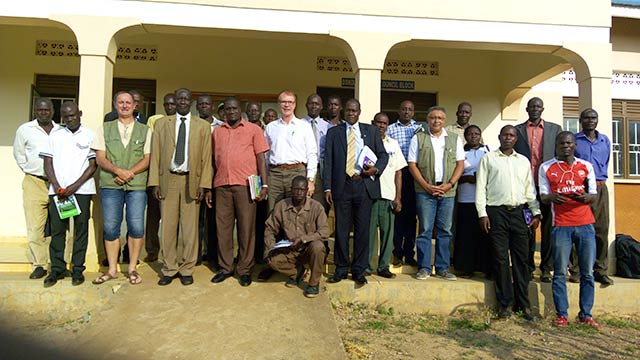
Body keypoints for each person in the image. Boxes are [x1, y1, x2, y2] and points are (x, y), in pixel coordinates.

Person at [149, 88, 213, 286]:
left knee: (190, 227)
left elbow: (206, 158)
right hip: (168, 178)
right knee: (167, 226)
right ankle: (169, 268)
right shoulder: (161, 124)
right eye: (179, 99)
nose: (183, 102)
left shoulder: (202, 126)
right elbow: (155, 155)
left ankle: (187, 268)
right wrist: (155, 182)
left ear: (191, 102)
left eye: (186, 99)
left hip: (191, 181)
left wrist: (204, 184)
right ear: (175, 102)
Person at [476, 125, 540, 320]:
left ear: (515, 139)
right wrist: (482, 214)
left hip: (520, 213)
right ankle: (505, 304)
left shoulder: (523, 161)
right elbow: (481, 188)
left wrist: (535, 212)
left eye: (512, 135)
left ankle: (524, 304)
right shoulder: (488, 159)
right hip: (497, 213)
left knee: (521, 261)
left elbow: (530, 189)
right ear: (499, 137)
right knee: (501, 259)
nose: (508, 138)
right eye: (505, 135)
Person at [539, 131, 601, 329]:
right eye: (561, 143)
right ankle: (562, 315)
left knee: (587, 273)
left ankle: (586, 314)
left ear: (574, 145)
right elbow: (543, 196)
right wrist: (552, 198)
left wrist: (586, 198)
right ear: (556, 145)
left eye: (569, 142)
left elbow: (593, 194)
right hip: (561, 226)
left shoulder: (586, 166)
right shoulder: (546, 167)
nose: (565, 145)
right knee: (559, 273)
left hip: (585, 225)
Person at [324, 99, 389, 286]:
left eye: (355, 110)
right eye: (349, 110)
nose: (351, 113)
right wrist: (328, 187)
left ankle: (359, 270)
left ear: (360, 112)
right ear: (344, 112)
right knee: (342, 230)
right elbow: (328, 160)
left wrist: (375, 169)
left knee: (363, 231)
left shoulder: (371, 131)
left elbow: (383, 155)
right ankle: (341, 268)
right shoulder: (334, 133)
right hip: (342, 186)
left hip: (364, 185)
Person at [92, 91, 152, 285]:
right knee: (110, 228)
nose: (125, 105)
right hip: (111, 184)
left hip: (136, 186)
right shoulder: (104, 129)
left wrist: (129, 173)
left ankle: (132, 267)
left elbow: (148, 158)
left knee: (136, 226)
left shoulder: (145, 130)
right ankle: (112, 269)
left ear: (135, 105)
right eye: (121, 102)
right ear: (115, 105)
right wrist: (118, 171)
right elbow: (100, 157)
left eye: (128, 102)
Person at [210, 97, 269, 287]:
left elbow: (261, 159)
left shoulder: (253, 130)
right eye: (228, 109)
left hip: (246, 186)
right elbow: (212, 161)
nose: (232, 111)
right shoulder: (217, 132)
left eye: (235, 108)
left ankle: (244, 269)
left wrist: (264, 185)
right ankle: (225, 267)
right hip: (222, 186)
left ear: (240, 110)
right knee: (223, 229)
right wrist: (209, 188)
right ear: (224, 111)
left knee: (246, 229)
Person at [40, 102, 96, 287]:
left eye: (72, 115)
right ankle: (57, 269)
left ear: (79, 114)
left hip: (82, 191)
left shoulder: (89, 136)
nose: (69, 119)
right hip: (58, 192)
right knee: (57, 231)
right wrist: (56, 186)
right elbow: (48, 163)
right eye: (65, 116)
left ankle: (78, 269)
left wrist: (74, 186)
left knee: (81, 230)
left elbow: (92, 166)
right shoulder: (55, 135)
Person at [408, 106, 464, 281]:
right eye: (433, 117)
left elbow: (460, 164)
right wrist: (426, 186)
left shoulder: (454, 139)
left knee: (445, 231)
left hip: (447, 192)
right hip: (425, 192)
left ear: (444, 120)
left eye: (440, 118)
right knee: (424, 229)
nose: (436, 121)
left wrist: (450, 184)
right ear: (427, 119)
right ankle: (424, 267)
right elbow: (412, 164)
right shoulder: (418, 138)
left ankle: (442, 268)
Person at [513, 97, 562, 283]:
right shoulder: (517, 130)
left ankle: (546, 268)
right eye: (532, 106)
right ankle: (527, 266)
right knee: (527, 228)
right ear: (526, 109)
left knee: (549, 228)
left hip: (548, 188)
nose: (535, 109)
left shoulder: (554, 129)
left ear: (543, 109)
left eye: (538, 106)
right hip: (526, 188)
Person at [13, 98, 60, 280]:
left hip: (57, 184)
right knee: (35, 226)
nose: (43, 113)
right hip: (34, 182)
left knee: (59, 226)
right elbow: (19, 153)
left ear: (52, 111)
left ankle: (58, 263)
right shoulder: (25, 130)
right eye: (40, 110)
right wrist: (30, 169)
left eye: (46, 110)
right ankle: (39, 264)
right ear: (35, 111)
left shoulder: (60, 131)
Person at [264, 176, 329, 297]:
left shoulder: (316, 207)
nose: (299, 192)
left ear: (306, 190)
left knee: (318, 247)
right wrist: (271, 247)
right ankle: (297, 273)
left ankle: (313, 284)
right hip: (290, 249)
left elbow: (324, 232)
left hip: (308, 250)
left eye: (302, 189)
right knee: (270, 259)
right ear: (291, 189)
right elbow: (270, 228)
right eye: (296, 189)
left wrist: (304, 239)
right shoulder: (281, 206)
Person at [571, 108, 614, 286]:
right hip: (580, 190)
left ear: (597, 120)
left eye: (593, 117)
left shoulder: (605, 140)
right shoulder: (574, 141)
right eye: (586, 117)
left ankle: (600, 270)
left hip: (599, 188)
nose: (590, 120)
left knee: (601, 229)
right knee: (577, 230)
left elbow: (605, 163)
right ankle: (576, 270)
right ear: (580, 120)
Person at [264, 90, 318, 211]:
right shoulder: (271, 127)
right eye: (283, 102)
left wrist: (310, 180)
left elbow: (312, 154)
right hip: (275, 174)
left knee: (295, 211)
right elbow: (265, 156)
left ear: (294, 105)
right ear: (279, 104)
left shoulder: (304, 126)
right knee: (273, 211)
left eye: (290, 102)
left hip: (297, 173)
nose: (286, 105)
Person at [368, 112, 406, 278]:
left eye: (384, 123)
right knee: (368, 234)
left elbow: (398, 172)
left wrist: (398, 197)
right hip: (370, 196)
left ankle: (383, 266)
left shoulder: (393, 145)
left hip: (388, 195)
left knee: (387, 234)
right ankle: (366, 267)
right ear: (373, 123)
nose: (381, 126)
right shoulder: (366, 143)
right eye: (378, 122)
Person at [453, 125, 492, 278]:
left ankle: (485, 268)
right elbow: (453, 174)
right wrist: (466, 178)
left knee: (485, 235)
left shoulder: (488, 151)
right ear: (465, 136)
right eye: (470, 134)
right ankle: (466, 267)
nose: (473, 136)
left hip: (484, 200)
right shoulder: (460, 152)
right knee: (466, 235)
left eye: (477, 133)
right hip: (465, 198)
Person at [387, 100, 421, 267]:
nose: (406, 112)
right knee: (398, 215)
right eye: (403, 109)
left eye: (410, 109)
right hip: (398, 174)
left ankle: (409, 253)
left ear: (413, 112)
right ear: (398, 111)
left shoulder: (420, 129)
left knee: (411, 217)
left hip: (415, 175)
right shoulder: (391, 129)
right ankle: (397, 254)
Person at [144, 93, 177, 263]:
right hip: (157, 177)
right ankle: (152, 249)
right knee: (153, 217)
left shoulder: (183, 126)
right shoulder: (156, 123)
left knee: (174, 219)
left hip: (176, 179)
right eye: (167, 104)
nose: (170, 107)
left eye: (173, 104)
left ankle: (172, 252)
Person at [196, 94, 222, 268]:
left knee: (213, 219)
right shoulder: (191, 124)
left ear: (212, 107)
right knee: (196, 219)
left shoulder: (220, 127)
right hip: (196, 177)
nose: (204, 106)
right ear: (197, 107)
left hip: (216, 176)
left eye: (207, 104)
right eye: (201, 104)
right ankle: (196, 255)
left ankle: (212, 255)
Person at [302, 94, 332, 213]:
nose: (314, 106)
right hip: (302, 168)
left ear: (321, 107)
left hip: (321, 171)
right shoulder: (298, 125)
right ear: (306, 105)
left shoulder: (329, 127)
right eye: (311, 103)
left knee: (319, 207)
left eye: (317, 104)